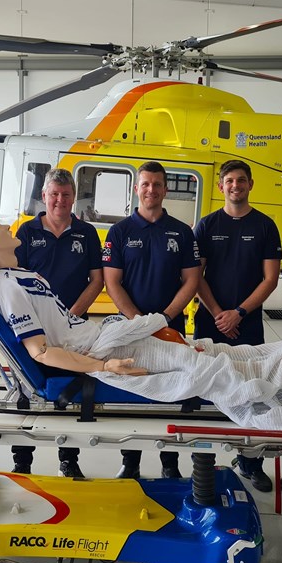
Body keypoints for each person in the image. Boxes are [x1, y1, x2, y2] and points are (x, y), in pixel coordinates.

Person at [0, 216, 282, 432]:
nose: (5, 224)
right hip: (99, 349)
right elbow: (39, 352)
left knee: (199, 348)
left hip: (104, 334)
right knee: (196, 364)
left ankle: (278, 356)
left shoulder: (21, 274)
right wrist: (104, 367)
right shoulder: (6, 285)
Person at [103, 161, 201, 479]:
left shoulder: (182, 232)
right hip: (130, 330)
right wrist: (139, 322)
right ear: (136, 189)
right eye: (145, 184)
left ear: (165, 189)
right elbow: (112, 282)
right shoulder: (120, 232)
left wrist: (166, 317)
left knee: (172, 393)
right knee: (133, 394)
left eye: (157, 184)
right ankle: (130, 461)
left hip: (170, 328)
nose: (151, 190)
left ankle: (169, 463)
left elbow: (192, 279)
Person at [194, 160, 282, 493]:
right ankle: (201, 460)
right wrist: (220, 313)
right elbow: (195, 276)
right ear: (221, 186)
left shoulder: (265, 226)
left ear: (250, 184)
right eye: (229, 180)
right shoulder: (206, 225)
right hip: (210, 321)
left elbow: (270, 279)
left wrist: (239, 313)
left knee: (252, 394)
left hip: (248, 324)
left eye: (241, 180)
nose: (235, 185)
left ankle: (250, 464)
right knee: (204, 390)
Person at [10, 168, 103, 478]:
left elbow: (97, 280)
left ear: (74, 197)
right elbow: (15, 280)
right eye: (54, 194)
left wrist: (71, 316)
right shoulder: (27, 232)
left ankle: (69, 459)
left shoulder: (87, 233)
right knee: (28, 394)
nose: (59, 200)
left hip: (74, 328)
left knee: (70, 393)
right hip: (33, 330)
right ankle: (22, 461)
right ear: (44, 196)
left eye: (65, 195)